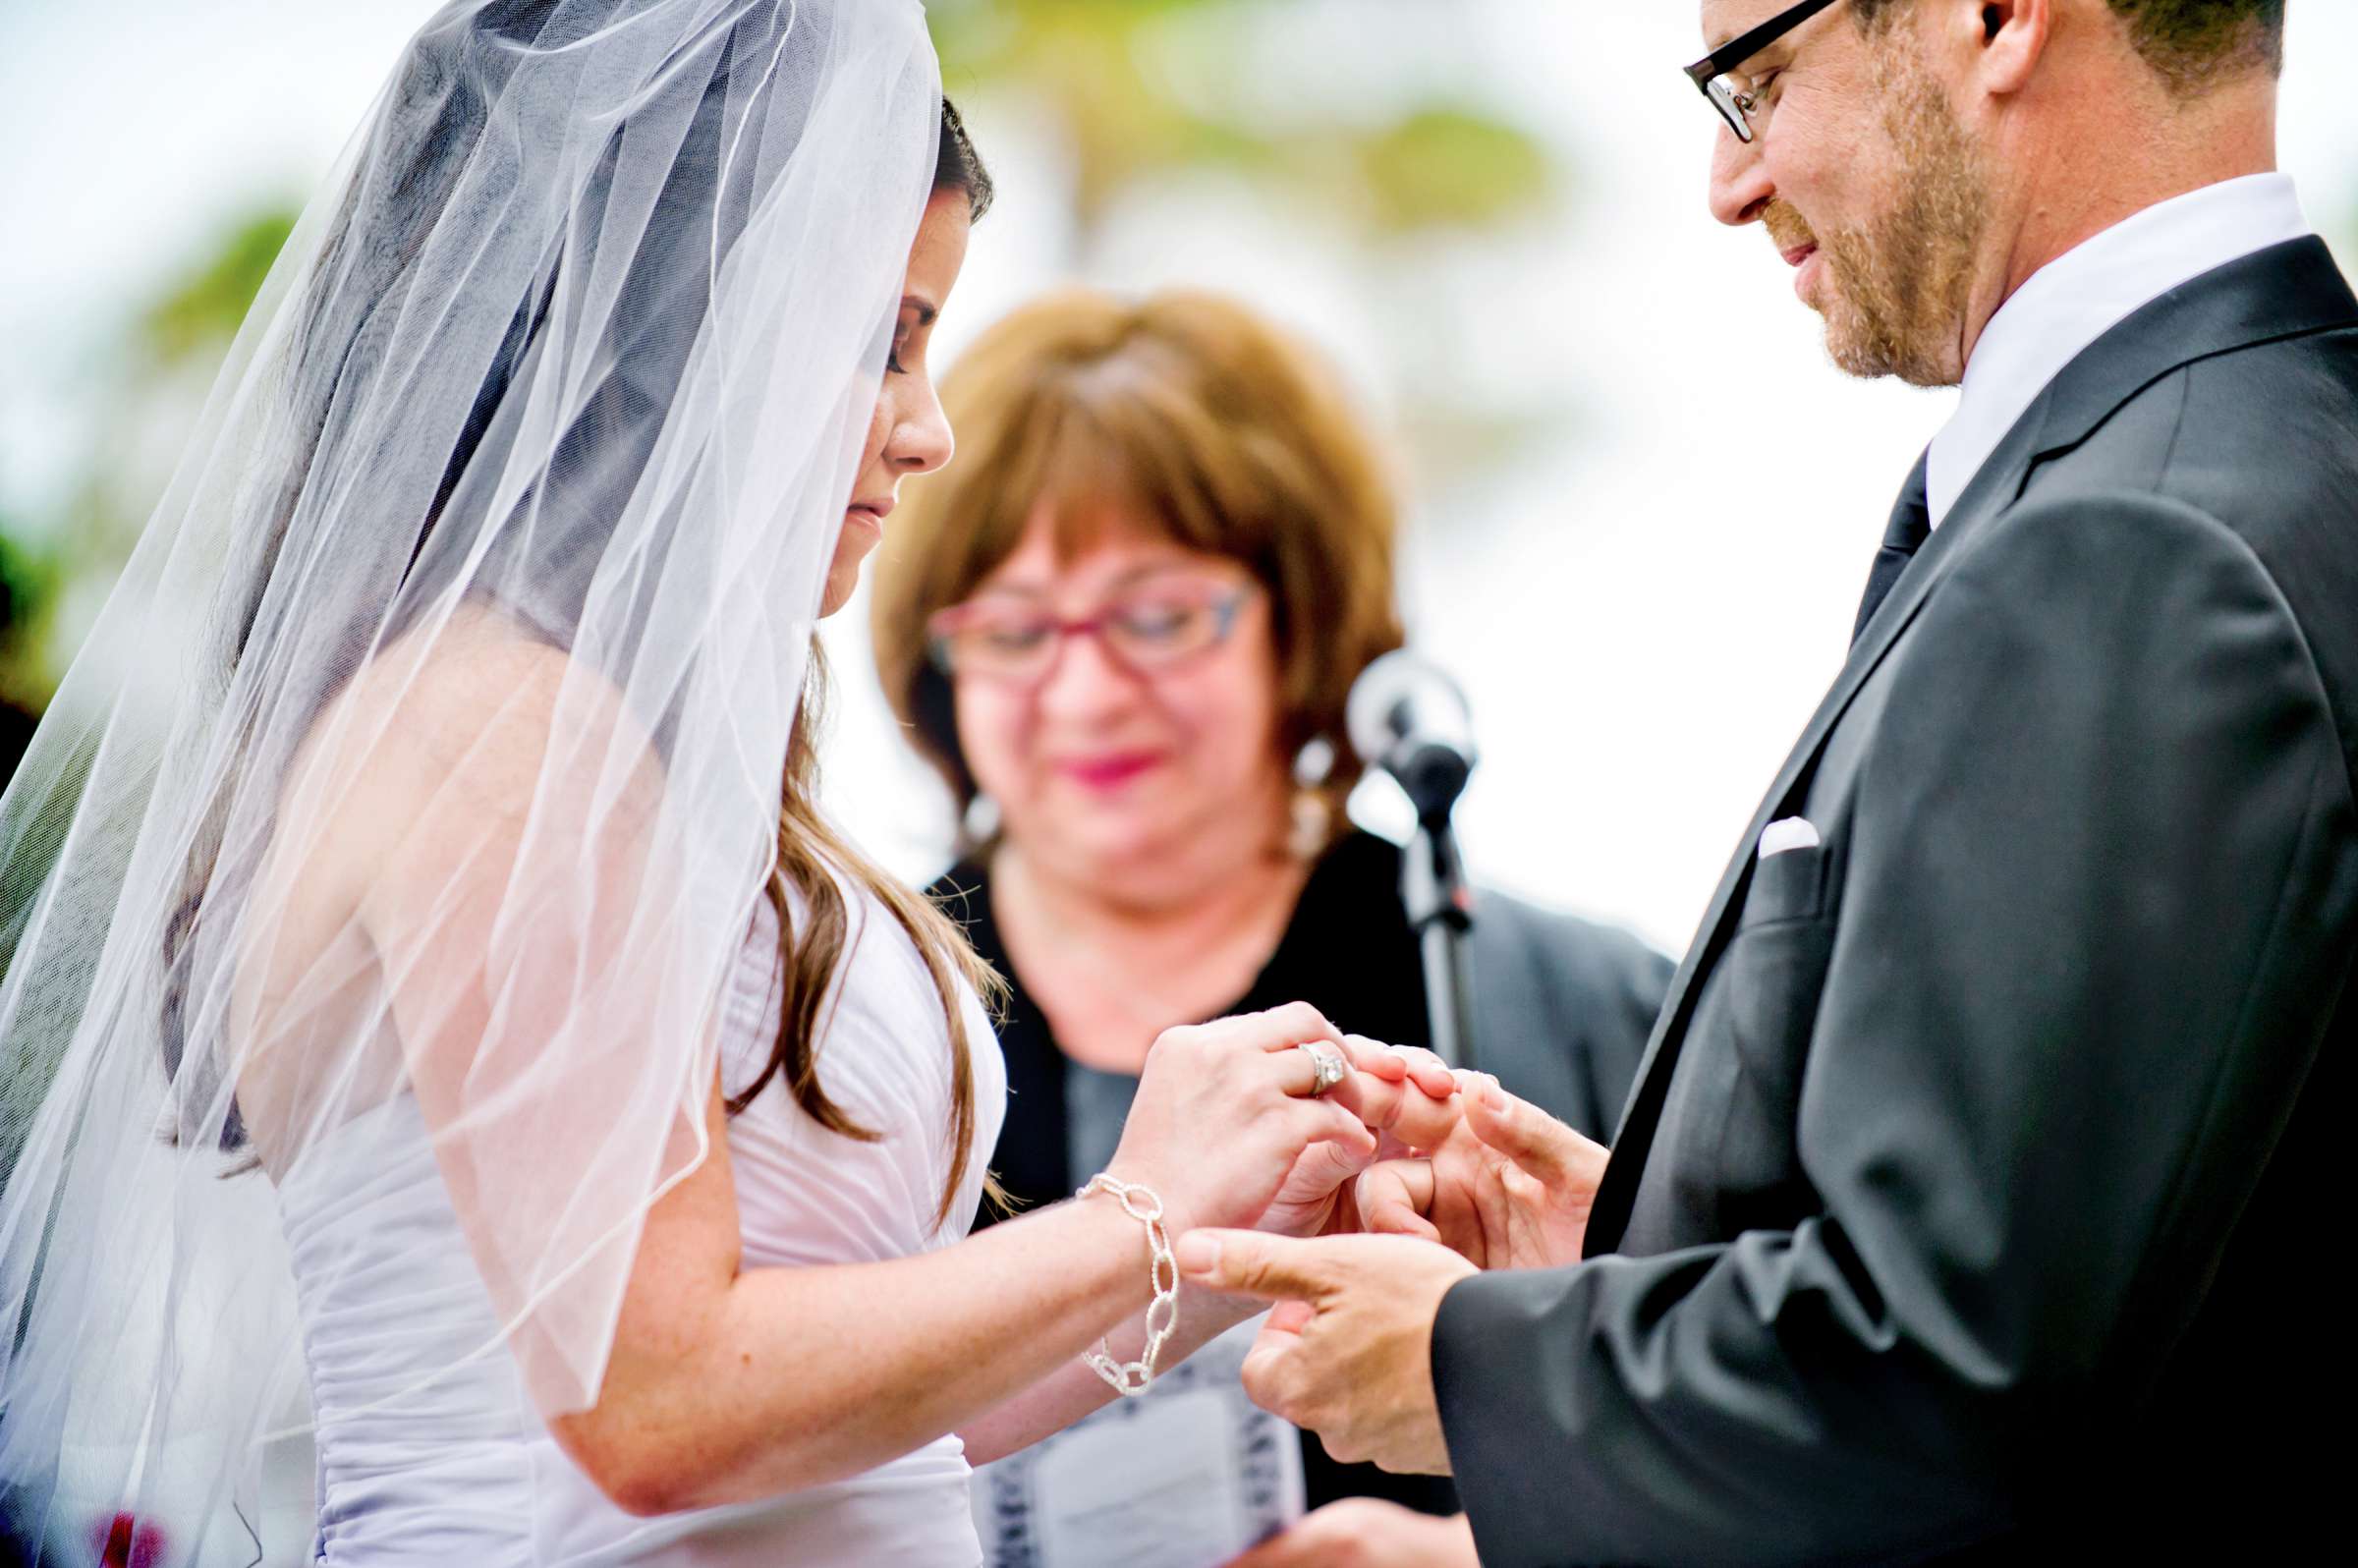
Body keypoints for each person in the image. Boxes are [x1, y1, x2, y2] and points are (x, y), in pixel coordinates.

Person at [0, 6, 1468, 1565]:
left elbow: (870, 1434)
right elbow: (658, 1411)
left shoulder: (623, 740)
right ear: (667, 326)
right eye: (879, 341)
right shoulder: (481, 727)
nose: (930, 429)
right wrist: (1142, 1213)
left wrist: (1241, 1236)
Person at [1175, 1, 2358, 1561]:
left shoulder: (2128, 546)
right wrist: (1640, 1246)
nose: (1729, 184)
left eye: (1760, 80)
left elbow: (1947, 1395)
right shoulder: (2268, 450)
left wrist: (1461, 1369)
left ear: (1996, 19)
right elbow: (2138, 1249)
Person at [866, 288, 1671, 1566]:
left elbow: (1799, 1445)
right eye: (1013, 632)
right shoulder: (852, 1002)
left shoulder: (1566, 998)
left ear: (1298, 626)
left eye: (1156, 616)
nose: (1083, 691)